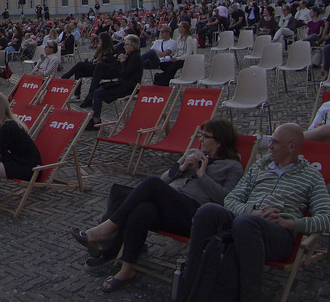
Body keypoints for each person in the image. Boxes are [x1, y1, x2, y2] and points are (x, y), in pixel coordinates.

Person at [71, 118, 244, 292]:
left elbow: (226, 199)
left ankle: (106, 230)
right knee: (141, 210)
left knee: (149, 184)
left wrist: (203, 176)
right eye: (201, 135)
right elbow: (165, 179)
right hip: (170, 205)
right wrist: (182, 168)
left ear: (219, 142)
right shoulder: (193, 152)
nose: (201, 140)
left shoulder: (233, 166)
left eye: (206, 137)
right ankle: (126, 270)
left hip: (194, 214)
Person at [180, 123, 330, 302]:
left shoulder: (311, 176)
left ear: (292, 146)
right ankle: (189, 291)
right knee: (207, 211)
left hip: (278, 234)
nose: (269, 146)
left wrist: (289, 223)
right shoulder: (260, 167)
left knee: (245, 224)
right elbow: (231, 199)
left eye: (275, 143)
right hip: (246, 222)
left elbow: (328, 219)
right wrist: (251, 212)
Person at [83, 35, 143, 131]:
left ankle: (95, 120)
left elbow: (124, 74)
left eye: (126, 45)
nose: (124, 47)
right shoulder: (130, 56)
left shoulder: (136, 57)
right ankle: (95, 117)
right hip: (123, 83)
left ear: (132, 46)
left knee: (98, 93)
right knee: (97, 89)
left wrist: (123, 61)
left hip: (129, 86)